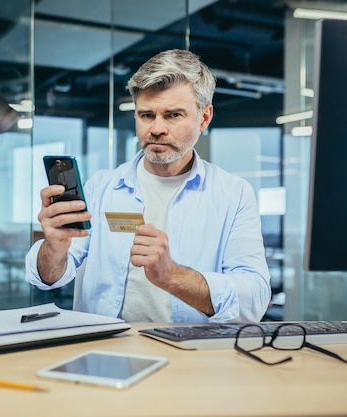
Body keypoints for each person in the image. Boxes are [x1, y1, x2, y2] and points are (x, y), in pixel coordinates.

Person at [25, 49, 271, 323]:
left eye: (173, 115)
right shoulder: (101, 188)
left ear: (204, 117)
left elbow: (254, 298)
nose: (156, 128)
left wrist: (172, 276)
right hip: (104, 354)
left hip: (190, 357)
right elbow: (49, 277)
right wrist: (54, 249)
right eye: (146, 115)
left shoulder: (233, 194)